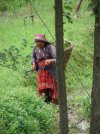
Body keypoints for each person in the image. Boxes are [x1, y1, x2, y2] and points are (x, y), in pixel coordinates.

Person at [32, 34, 58, 104]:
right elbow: (34, 58)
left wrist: (50, 60)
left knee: (51, 87)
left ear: (44, 42)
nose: (39, 46)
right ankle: (46, 102)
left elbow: (57, 58)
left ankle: (54, 101)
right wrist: (34, 64)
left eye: (40, 44)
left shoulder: (50, 47)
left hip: (50, 71)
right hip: (41, 71)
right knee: (43, 88)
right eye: (37, 44)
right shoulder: (35, 48)